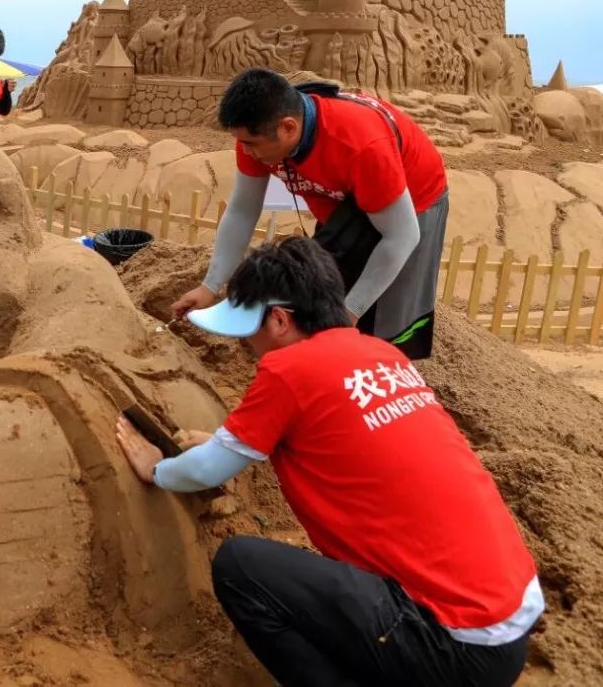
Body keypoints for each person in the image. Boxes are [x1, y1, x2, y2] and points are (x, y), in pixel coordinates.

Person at [117, 237, 542, 687]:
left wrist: (156, 468)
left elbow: (205, 471)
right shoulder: (382, 355)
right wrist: (225, 443)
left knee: (240, 568)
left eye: (250, 332)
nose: (249, 347)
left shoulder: (290, 370)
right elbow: (333, 443)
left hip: (451, 644)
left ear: (279, 320)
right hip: (506, 624)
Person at [171, 68, 449, 359]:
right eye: (241, 142)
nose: (246, 152)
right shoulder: (256, 134)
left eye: (251, 144)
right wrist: (210, 286)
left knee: (388, 314)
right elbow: (242, 210)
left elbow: (401, 236)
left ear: (288, 128)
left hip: (412, 198)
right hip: (343, 197)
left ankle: (380, 372)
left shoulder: (360, 145)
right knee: (321, 285)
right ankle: (318, 357)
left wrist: (349, 312)